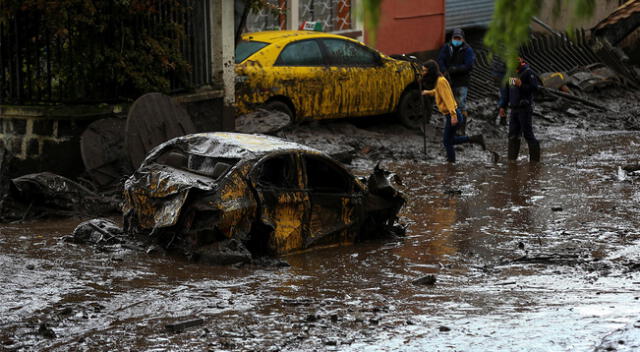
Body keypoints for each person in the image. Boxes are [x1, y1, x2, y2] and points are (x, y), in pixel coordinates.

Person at [421, 60, 485, 163]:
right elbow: (438, 92)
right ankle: (475, 139)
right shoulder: (439, 81)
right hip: (452, 114)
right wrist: (427, 92)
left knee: (447, 141)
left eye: (424, 71)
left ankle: (451, 164)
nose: (423, 73)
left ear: (431, 71)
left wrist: (453, 115)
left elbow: (448, 99)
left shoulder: (441, 81)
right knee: (450, 140)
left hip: (453, 114)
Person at [499, 57, 540, 162]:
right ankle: (512, 160)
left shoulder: (528, 72)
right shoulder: (512, 74)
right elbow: (508, 92)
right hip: (513, 109)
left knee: (528, 134)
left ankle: (534, 162)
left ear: (522, 61)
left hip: (524, 108)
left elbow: (535, 88)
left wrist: (521, 85)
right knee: (513, 135)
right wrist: (502, 106)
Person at [437, 28, 475, 134]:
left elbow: (469, 65)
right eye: (455, 38)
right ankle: (451, 126)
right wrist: (444, 71)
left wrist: (456, 69)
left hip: (462, 81)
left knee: (461, 104)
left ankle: (461, 128)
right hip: (449, 80)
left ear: (463, 39)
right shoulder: (447, 47)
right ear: (452, 38)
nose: (457, 40)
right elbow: (440, 59)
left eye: (459, 38)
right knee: (450, 104)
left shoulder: (468, 50)